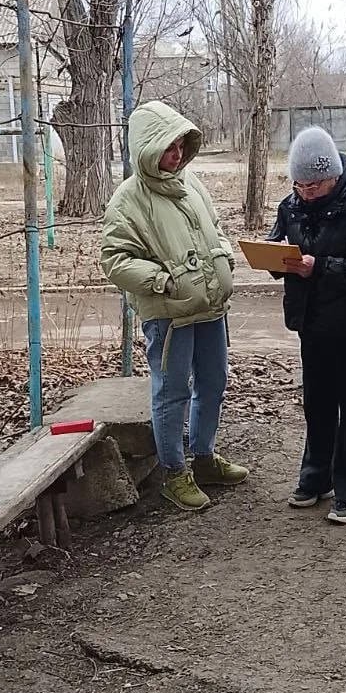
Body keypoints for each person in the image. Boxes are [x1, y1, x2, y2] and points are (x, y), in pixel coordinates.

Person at [100, 100, 248, 512]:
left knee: (214, 383)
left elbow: (214, 228)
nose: (178, 154)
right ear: (148, 148)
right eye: (169, 147)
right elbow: (114, 259)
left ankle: (203, 458)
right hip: (169, 315)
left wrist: (223, 257)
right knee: (172, 393)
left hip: (210, 307)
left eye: (181, 145)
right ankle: (173, 472)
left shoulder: (190, 182)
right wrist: (164, 282)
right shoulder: (127, 200)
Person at [268, 125, 346, 525]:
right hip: (313, 323)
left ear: (334, 175)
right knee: (318, 405)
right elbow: (278, 245)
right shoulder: (291, 206)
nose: (306, 192)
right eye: (299, 184)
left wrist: (316, 266)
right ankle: (316, 476)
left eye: (314, 185)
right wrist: (273, 259)